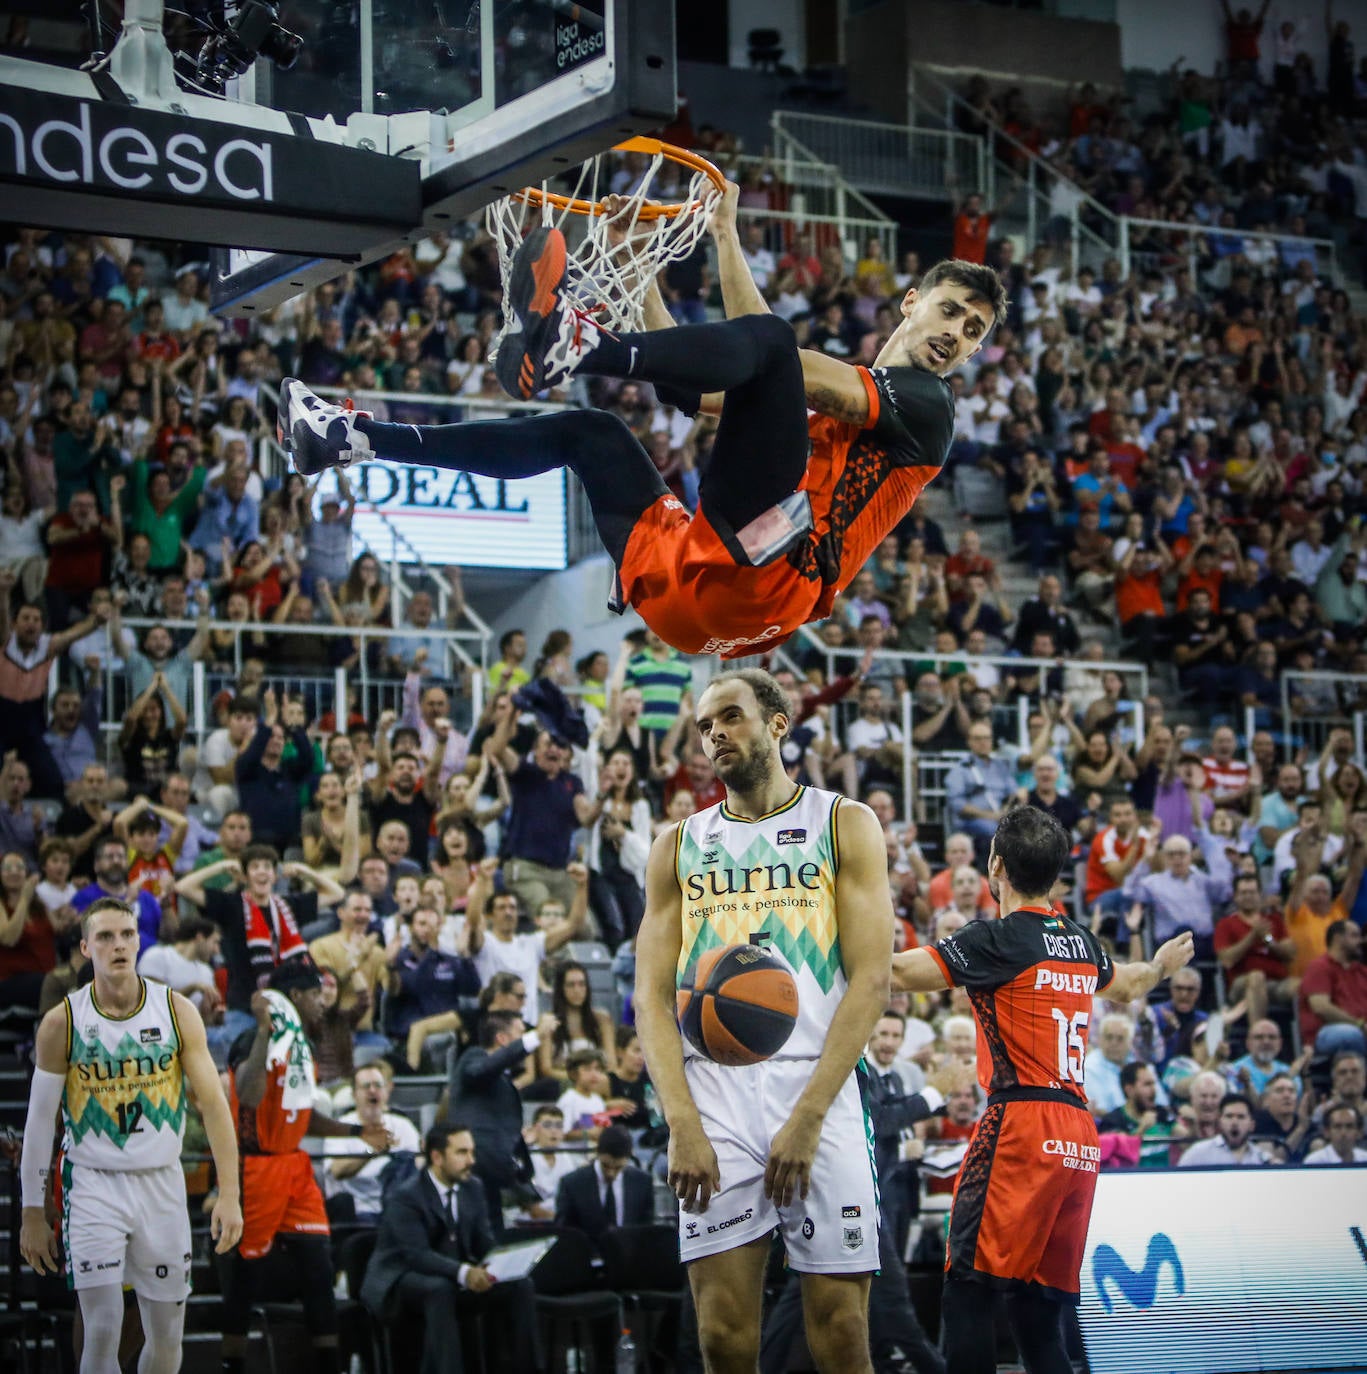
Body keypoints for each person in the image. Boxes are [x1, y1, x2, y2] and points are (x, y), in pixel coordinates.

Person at [278, 186, 1005, 660]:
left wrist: (710, 258)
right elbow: (702, 392)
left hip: (769, 578)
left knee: (772, 348)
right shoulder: (845, 387)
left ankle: (581, 344)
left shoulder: (930, 407)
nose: (957, 331)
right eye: (950, 310)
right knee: (588, 435)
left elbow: (775, 354)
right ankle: (347, 438)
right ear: (911, 302)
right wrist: (647, 277)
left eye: (973, 329)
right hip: (689, 603)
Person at [634, 669, 893, 1374]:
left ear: (778, 723)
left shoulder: (844, 823)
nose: (715, 732)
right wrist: (681, 1123)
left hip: (820, 1084)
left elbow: (872, 979)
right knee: (721, 1334)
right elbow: (649, 999)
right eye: (704, 725)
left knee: (840, 1331)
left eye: (730, 716)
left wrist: (809, 1114)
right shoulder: (676, 846)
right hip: (714, 1092)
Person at [890, 805, 1194, 1374]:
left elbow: (901, 974)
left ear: (995, 865)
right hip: (1080, 1136)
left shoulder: (997, 939)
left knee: (969, 1289)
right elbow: (1129, 985)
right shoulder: (1078, 940)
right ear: (1055, 875)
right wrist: (1160, 965)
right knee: (1038, 1312)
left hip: (1021, 1125)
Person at [18, 897, 243, 1374]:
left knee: (167, 1339)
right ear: (85, 947)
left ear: (139, 940)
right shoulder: (62, 1021)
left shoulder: (176, 1011)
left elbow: (217, 1109)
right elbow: (39, 1122)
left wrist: (231, 1193)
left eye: (126, 935)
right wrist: (32, 1212)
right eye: (105, 937)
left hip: (162, 1181)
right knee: (102, 1327)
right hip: (94, 1182)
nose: (118, 945)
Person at [220, 959, 392, 1374]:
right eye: (316, 995)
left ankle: (329, 1365)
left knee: (319, 1266)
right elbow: (247, 1092)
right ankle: (232, 1365)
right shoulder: (250, 1040)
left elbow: (302, 1114)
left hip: (295, 1167)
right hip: (257, 1167)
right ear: (294, 997)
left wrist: (354, 1130)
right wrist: (264, 1030)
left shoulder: (304, 1046)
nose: (323, 1003)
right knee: (245, 1276)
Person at [360, 1122, 539, 1374]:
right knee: (439, 1289)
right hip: (401, 1279)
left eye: (472, 1152)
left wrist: (499, 1264)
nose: (471, 1160)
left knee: (520, 1285)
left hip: (453, 1273)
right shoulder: (405, 1196)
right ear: (437, 1156)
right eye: (462, 1153)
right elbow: (416, 1255)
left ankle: (526, 1369)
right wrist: (465, 1273)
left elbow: (483, 1241)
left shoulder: (472, 1187)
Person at [446, 1008, 548, 1233]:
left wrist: (523, 1168)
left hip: (493, 1175)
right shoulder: (473, 1057)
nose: (524, 1042)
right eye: (520, 1033)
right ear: (502, 1039)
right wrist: (535, 1037)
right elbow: (482, 1070)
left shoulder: (504, 1082)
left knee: (493, 1240)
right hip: (472, 1166)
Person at [323, 1062, 422, 1224]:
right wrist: (372, 1151)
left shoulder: (403, 1125)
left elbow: (419, 1167)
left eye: (378, 1085)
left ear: (387, 1091)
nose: (372, 1091)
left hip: (397, 1211)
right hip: (357, 1212)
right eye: (366, 1086)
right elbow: (337, 1171)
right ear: (354, 1094)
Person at [554, 1123, 654, 1242]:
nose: (611, 1173)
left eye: (618, 1168)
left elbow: (646, 1231)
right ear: (597, 1153)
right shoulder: (572, 1184)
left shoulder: (642, 1183)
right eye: (605, 1166)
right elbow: (564, 1232)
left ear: (628, 1158)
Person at [1299, 919, 1367, 1057]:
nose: (1360, 941)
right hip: (1326, 1032)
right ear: (1337, 939)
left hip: (1362, 1029)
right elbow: (1321, 1007)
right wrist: (1359, 1024)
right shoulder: (1319, 967)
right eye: (1354, 936)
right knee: (1351, 1035)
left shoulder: (1361, 971)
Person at [1176, 1093, 1271, 1167]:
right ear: (1219, 1122)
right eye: (1229, 1116)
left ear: (1252, 1125)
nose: (1234, 1122)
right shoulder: (1198, 1152)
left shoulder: (1262, 1158)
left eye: (1241, 1117)